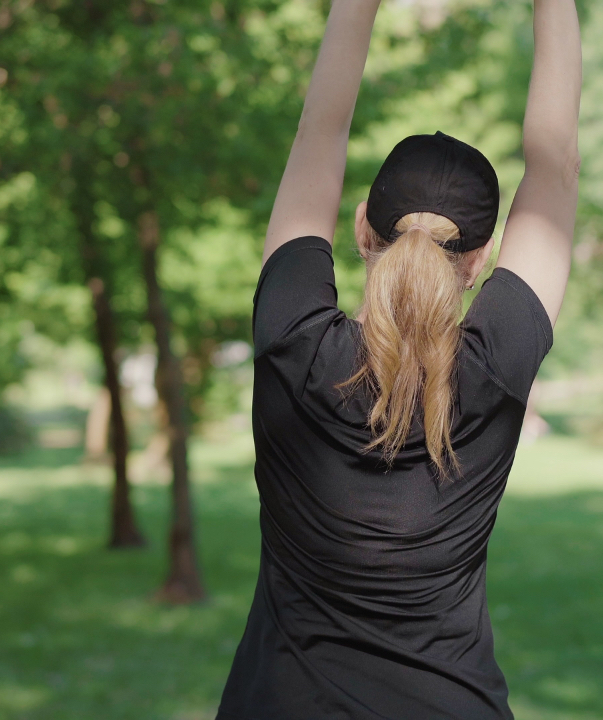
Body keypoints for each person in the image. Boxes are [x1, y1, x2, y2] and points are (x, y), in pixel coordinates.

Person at [218, 0, 580, 716]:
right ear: (480, 260)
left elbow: (319, 132)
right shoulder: (495, 365)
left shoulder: (293, 338)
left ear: (362, 229)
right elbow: (556, 159)